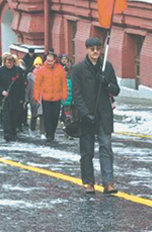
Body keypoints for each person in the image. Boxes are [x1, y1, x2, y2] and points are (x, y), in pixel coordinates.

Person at [71, 37, 120, 194]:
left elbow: (116, 90)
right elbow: (77, 95)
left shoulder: (107, 67)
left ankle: (108, 182)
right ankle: (89, 182)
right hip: (86, 117)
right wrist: (85, 113)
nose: (95, 52)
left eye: (97, 49)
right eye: (92, 49)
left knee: (106, 148)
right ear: (86, 50)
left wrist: (106, 82)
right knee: (87, 151)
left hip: (104, 115)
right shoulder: (79, 69)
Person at [34, 52, 68, 142]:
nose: (49, 62)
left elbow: (63, 83)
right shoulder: (42, 70)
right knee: (47, 116)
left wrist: (64, 95)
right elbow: (37, 84)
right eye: (48, 61)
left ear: (54, 60)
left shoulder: (60, 69)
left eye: (51, 61)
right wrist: (37, 97)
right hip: (46, 97)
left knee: (55, 116)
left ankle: (52, 131)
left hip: (57, 97)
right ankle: (49, 133)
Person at [0, 53, 26, 142]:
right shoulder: (0, 71)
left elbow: (22, 85)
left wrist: (22, 98)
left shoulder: (18, 71)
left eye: (11, 62)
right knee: (6, 115)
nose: (9, 64)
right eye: (7, 62)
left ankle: (13, 132)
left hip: (15, 96)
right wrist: (2, 91)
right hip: (5, 96)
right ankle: (7, 133)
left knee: (14, 115)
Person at [26, 57, 43, 133]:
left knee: (42, 112)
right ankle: (33, 127)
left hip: (42, 95)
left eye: (40, 64)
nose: (38, 66)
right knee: (34, 112)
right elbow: (28, 87)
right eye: (36, 64)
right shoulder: (30, 75)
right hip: (33, 95)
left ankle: (42, 129)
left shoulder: (44, 74)